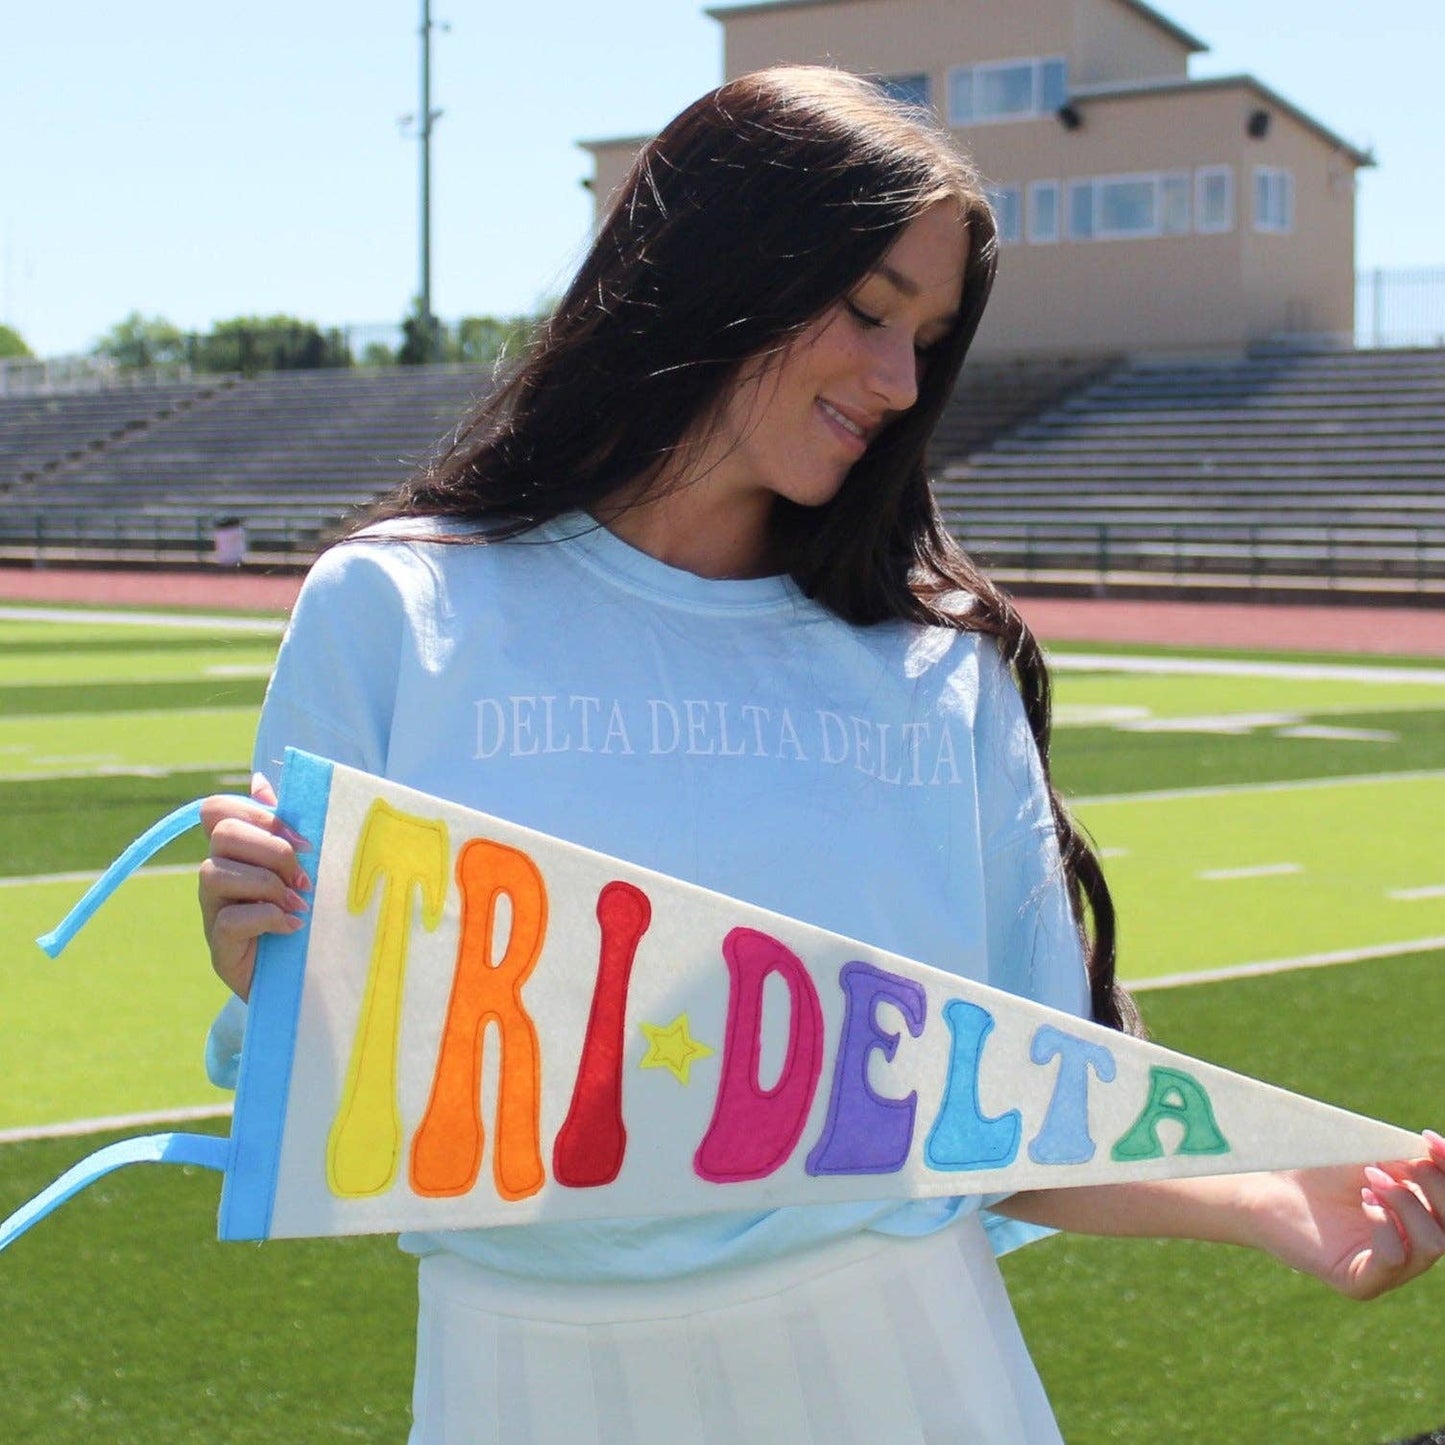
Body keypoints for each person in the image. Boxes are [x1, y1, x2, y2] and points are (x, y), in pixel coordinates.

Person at [197, 65, 1445, 1444]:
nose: (900, 378)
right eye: (865, 312)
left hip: (912, 1377)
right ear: (714, 268)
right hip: (521, 1379)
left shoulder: (939, 664)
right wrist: (266, 960)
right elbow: (332, 1079)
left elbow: (1011, 1110)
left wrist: (1274, 1196)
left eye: (928, 334)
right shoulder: (392, 611)